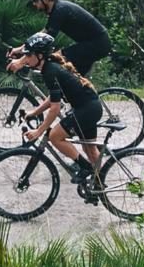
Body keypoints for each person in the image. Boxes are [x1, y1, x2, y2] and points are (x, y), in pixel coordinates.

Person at [13, 32, 103, 185]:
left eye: (29, 55)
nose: (26, 59)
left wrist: (39, 131)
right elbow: (53, 98)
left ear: (40, 55)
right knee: (90, 151)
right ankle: (98, 186)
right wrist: (34, 113)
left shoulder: (50, 71)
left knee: (55, 136)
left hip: (87, 109)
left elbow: (55, 108)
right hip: (90, 107)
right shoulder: (51, 67)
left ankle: (85, 168)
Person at [7, 0, 111, 76]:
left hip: (98, 44)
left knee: (55, 59)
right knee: (74, 82)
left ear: (46, 0)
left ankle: (57, 95)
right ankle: (78, 95)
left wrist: (21, 61)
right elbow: (43, 34)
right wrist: (20, 49)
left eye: (36, 1)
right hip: (95, 44)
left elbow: (43, 41)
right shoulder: (57, 10)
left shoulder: (60, 11)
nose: (34, 4)